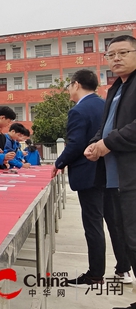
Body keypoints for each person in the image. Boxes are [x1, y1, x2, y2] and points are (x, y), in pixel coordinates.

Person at [52, 68, 132, 288]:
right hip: (109, 172)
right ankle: (123, 268)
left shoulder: (79, 110)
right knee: (114, 222)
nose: (68, 89)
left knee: (93, 224)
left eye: (69, 85)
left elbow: (76, 143)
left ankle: (95, 274)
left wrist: (59, 163)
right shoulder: (105, 104)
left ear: (76, 84)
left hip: (89, 173)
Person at [83, 36, 136, 306]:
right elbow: (107, 126)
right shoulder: (116, 88)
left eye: (123, 52)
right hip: (113, 179)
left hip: (132, 177)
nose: (116, 58)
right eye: (111, 54)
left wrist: (107, 143)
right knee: (126, 240)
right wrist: (95, 144)